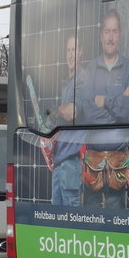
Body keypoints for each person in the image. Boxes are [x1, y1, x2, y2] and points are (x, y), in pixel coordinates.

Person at [79, 9, 129, 208]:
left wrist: (104, 101)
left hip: (118, 163)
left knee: (118, 224)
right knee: (91, 225)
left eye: (114, 31)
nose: (110, 37)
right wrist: (119, 101)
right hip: (92, 163)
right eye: (107, 32)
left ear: (119, 35)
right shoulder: (90, 68)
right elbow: (88, 112)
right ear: (101, 35)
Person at [51, 34, 84, 206]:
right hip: (59, 161)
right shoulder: (67, 83)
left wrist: (54, 112)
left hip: (72, 161)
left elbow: (71, 112)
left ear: (81, 52)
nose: (70, 55)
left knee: (72, 217)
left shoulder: (83, 79)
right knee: (56, 219)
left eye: (74, 50)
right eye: (68, 50)